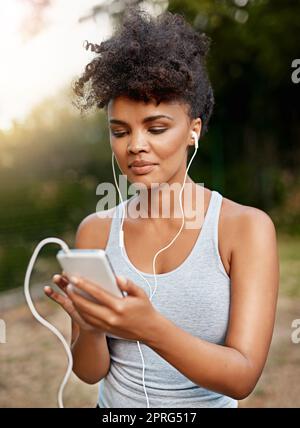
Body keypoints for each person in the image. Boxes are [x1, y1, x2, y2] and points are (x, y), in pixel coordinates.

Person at [44, 6, 279, 408]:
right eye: (120, 131)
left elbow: (242, 378)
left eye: (156, 128)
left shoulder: (244, 228)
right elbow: (89, 371)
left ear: (193, 130)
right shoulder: (96, 231)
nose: (135, 145)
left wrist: (150, 327)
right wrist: (92, 328)